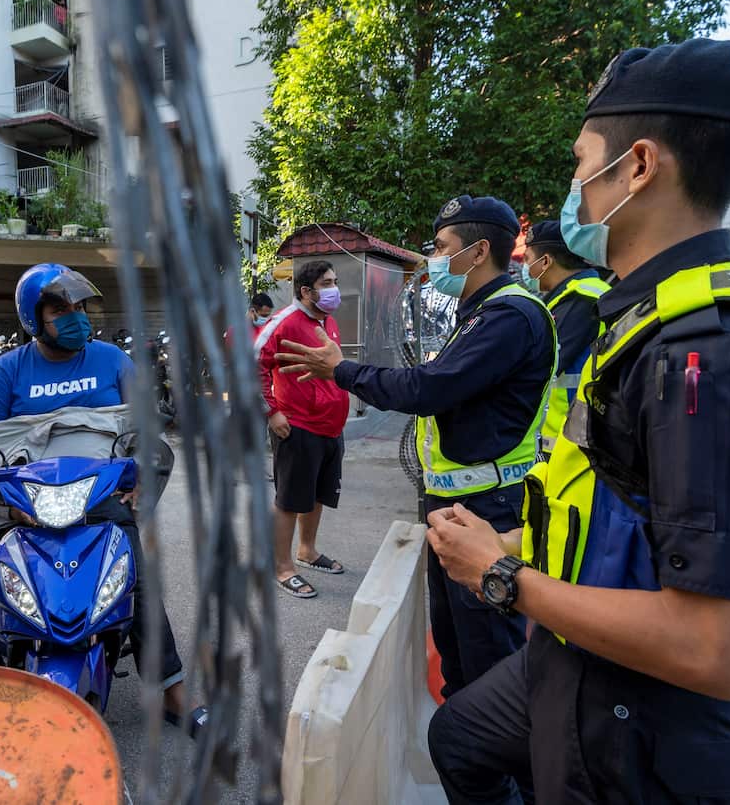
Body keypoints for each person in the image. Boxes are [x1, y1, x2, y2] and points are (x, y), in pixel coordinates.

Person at [425, 39, 730, 803]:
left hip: (635, 710)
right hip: (576, 647)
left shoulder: (710, 352)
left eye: (583, 163)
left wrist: (504, 576)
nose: (573, 190)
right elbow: (622, 496)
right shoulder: (650, 313)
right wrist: (515, 540)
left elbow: (720, 650)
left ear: (639, 166)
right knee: (460, 735)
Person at [276, 196, 556, 699]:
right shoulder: (482, 314)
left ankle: (496, 767)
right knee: (457, 649)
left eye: (444, 247)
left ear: (478, 251)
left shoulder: (509, 317)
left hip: (486, 508)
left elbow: (426, 388)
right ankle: (467, 751)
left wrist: (341, 370)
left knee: (488, 663)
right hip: (458, 503)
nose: (434, 258)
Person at [0, 263, 207, 734]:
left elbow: (142, 429)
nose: (75, 317)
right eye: (60, 309)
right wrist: (7, 502)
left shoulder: (114, 361)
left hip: (97, 496)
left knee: (134, 579)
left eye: (79, 307)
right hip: (22, 503)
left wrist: (140, 475)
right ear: (33, 319)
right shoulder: (5, 373)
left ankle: (173, 692)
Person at [255, 260, 351, 599]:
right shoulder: (283, 323)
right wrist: (271, 412)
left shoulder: (328, 322)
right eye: (327, 283)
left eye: (334, 280)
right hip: (296, 427)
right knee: (289, 500)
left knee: (316, 495)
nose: (334, 288)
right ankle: (281, 567)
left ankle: (306, 550)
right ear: (305, 291)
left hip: (329, 428)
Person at [520, 220, 611, 454]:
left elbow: (539, 365)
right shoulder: (573, 296)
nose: (526, 268)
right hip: (569, 433)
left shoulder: (581, 300)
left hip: (573, 439)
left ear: (546, 261)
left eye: (528, 259)